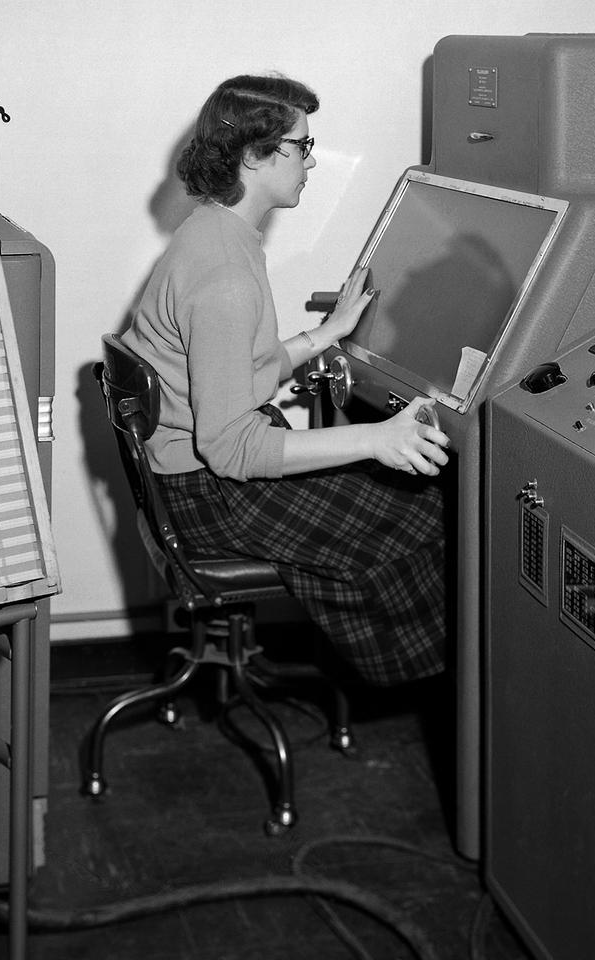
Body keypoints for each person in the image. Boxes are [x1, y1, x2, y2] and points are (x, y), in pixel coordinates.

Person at [120, 74, 450, 686]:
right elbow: (231, 446)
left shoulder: (215, 230)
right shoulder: (224, 275)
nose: (310, 160)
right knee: (432, 518)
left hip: (189, 478)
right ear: (253, 155)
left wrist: (321, 337)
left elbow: (230, 373)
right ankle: (443, 684)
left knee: (398, 492)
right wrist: (376, 440)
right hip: (211, 497)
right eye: (300, 146)